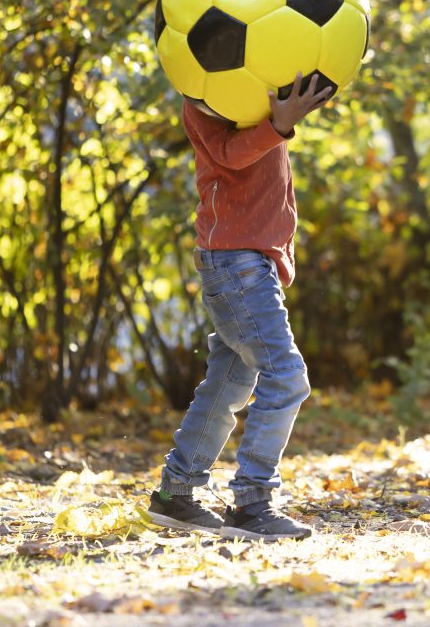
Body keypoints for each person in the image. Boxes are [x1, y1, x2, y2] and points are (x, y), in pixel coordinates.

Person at [147, 71, 333, 542]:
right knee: (286, 376)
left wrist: (288, 104)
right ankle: (253, 503)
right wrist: (281, 123)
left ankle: (177, 495)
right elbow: (232, 155)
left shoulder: (250, 84)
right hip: (236, 260)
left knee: (230, 382)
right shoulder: (206, 94)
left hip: (249, 259)